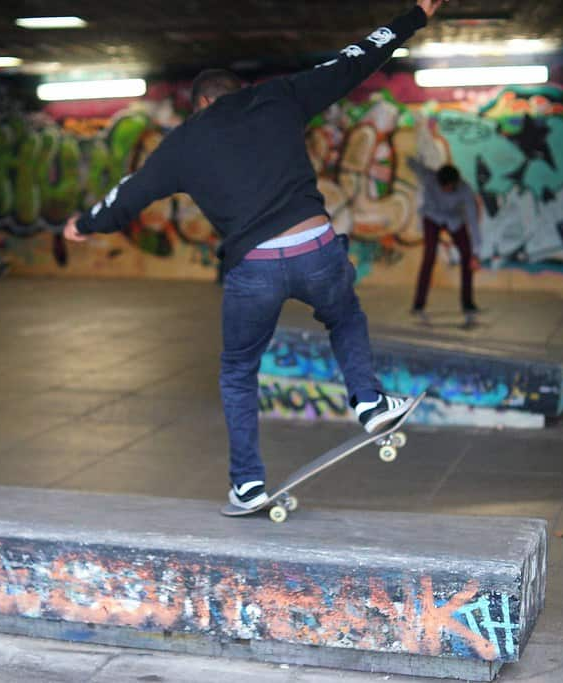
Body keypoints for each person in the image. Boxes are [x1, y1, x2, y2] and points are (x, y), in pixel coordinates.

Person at [64, 0, 444, 511]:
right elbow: (356, 58)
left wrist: (83, 225)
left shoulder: (182, 143)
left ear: (199, 103)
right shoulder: (279, 97)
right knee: (344, 316)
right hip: (317, 250)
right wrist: (414, 15)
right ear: (240, 93)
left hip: (255, 270)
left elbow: (127, 195)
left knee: (239, 370)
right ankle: (371, 402)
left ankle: (248, 483)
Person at [407, 157, 481, 325]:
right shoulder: (429, 178)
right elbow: (416, 165)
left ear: (456, 183)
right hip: (431, 217)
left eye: (450, 188)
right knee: (429, 257)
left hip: (455, 220)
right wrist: (408, 158)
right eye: (444, 188)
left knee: (467, 255)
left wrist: (476, 252)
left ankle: (468, 302)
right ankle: (418, 304)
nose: (447, 190)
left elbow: (472, 219)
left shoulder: (465, 190)